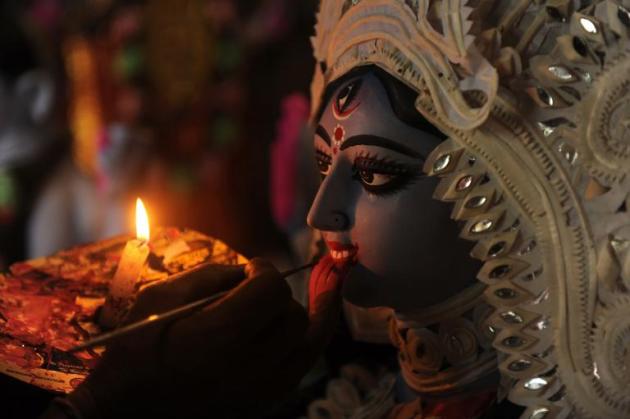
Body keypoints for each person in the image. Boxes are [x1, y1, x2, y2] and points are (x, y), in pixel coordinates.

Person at [42, 0, 630, 418]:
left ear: (505, 192)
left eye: (376, 172)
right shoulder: (347, 394)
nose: (321, 213)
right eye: (323, 164)